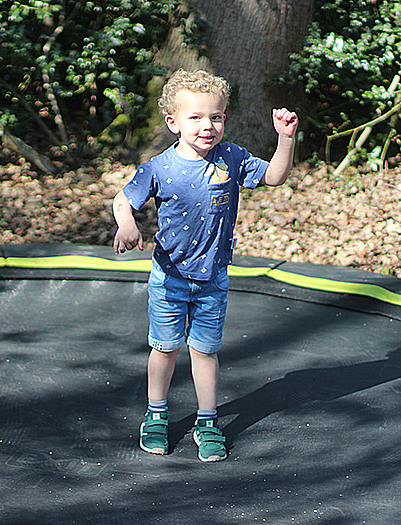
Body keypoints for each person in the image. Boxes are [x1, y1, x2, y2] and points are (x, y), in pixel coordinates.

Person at [112, 68, 298, 462]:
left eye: (215, 117)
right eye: (195, 117)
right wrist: (126, 223)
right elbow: (123, 199)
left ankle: (207, 421)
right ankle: (156, 414)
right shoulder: (160, 167)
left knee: (204, 351)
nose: (207, 126)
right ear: (173, 123)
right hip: (170, 278)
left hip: (212, 279)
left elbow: (274, 176)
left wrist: (285, 140)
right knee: (165, 349)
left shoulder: (231, 157)